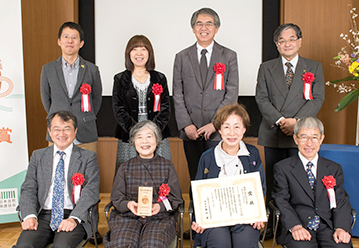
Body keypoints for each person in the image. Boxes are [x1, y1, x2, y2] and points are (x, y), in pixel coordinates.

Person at [255, 23, 325, 236]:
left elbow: (318, 98)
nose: (287, 44)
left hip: (302, 135)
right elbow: (262, 98)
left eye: (291, 39)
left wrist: (297, 122)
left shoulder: (313, 67)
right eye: (282, 40)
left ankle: (298, 223)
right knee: (274, 179)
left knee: (301, 181)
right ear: (277, 44)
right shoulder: (266, 67)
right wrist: (281, 121)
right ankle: (272, 225)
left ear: (299, 41)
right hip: (273, 131)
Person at [173, 7, 238, 195]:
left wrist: (216, 124)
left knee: (218, 178)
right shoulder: (181, 57)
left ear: (216, 28)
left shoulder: (229, 56)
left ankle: (215, 223)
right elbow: (178, 94)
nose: (204, 27)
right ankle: (196, 223)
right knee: (195, 176)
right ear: (193, 29)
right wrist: (186, 125)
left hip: (218, 131)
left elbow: (231, 94)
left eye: (209, 23)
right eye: (199, 24)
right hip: (190, 131)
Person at [14, 110, 100, 248]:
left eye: (67, 129)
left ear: (75, 131)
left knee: (62, 246)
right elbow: (28, 188)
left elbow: (91, 192)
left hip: (72, 214)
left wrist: (74, 218)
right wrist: (29, 215)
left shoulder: (88, 157)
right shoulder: (38, 156)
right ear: (49, 131)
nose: (61, 134)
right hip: (43, 215)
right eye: (57, 129)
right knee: (24, 245)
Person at [191, 103, 266, 248]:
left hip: (245, 218)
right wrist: (199, 219)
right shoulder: (207, 157)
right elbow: (196, 193)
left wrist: (257, 214)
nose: (232, 133)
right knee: (220, 243)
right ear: (219, 129)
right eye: (226, 127)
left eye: (237, 126)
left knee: (244, 244)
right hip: (214, 219)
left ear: (244, 129)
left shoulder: (253, 154)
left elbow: (260, 187)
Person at [273, 117, 352, 247]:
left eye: (314, 138)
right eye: (303, 137)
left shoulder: (334, 168)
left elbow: (341, 200)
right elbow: (280, 200)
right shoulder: (283, 168)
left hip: (328, 226)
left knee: (341, 245)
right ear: (295, 139)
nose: (309, 143)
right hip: (299, 225)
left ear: (321, 139)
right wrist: (295, 226)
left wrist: (341, 228)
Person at [104, 120, 183, 248]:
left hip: (159, 219)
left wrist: (160, 207)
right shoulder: (125, 167)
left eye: (149, 137)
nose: (144, 141)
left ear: (157, 141)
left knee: (151, 244)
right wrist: (129, 204)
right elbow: (116, 198)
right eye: (139, 137)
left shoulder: (167, 166)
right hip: (127, 217)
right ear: (133, 142)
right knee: (122, 243)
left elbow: (175, 198)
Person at [41, 21, 103, 153]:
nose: (70, 41)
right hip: (58, 133)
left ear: (81, 43)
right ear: (59, 41)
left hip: (85, 132)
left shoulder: (91, 69)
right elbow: (46, 99)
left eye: (74, 38)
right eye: (66, 37)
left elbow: (97, 98)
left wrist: (85, 116)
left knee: (86, 172)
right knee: (57, 172)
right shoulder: (48, 69)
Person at [113, 35, 171, 171]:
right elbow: (118, 108)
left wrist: (152, 132)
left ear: (149, 53)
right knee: (128, 172)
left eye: (143, 49)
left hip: (157, 130)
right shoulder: (120, 79)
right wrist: (136, 132)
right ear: (129, 54)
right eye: (134, 49)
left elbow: (165, 107)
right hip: (129, 131)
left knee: (159, 171)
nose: (139, 54)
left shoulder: (159, 78)